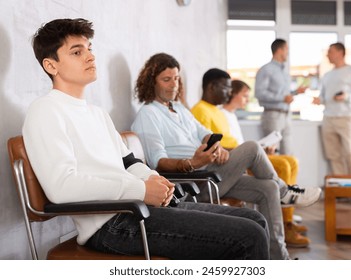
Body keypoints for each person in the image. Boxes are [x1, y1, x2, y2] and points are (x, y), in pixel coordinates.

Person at [22, 18, 271, 260]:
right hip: (111, 224)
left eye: (89, 48)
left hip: (136, 208)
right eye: (77, 52)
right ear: (51, 65)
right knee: (249, 236)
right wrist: (141, 189)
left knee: (255, 220)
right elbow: (62, 188)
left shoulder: (96, 113)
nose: (90, 56)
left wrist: (154, 180)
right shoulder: (45, 111)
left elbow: (129, 162)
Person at [131, 53, 322, 259]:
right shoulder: (148, 115)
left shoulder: (178, 109)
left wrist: (216, 146)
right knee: (251, 148)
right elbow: (157, 162)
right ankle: (287, 193)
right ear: (151, 82)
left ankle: (279, 258)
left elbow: (205, 133)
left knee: (268, 188)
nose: (173, 85)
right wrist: (193, 163)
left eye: (176, 78)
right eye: (166, 80)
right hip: (193, 184)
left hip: (212, 173)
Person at [220, 79, 310, 248]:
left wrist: (262, 148)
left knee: (291, 160)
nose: (247, 99)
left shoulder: (231, 115)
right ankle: (286, 206)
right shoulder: (221, 114)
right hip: (232, 160)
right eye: (245, 96)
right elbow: (226, 147)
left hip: (240, 154)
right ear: (233, 94)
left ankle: (287, 219)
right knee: (283, 165)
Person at [313, 42, 351, 205]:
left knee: (350, 154)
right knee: (334, 156)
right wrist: (319, 100)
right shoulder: (327, 75)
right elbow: (324, 96)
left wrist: (347, 96)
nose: (328, 55)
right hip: (328, 118)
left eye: (330, 52)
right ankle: (342, 192)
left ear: (340, 52)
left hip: (347, 118)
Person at [255, 39, 306, 155]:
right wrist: (282, 98)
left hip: (286, 115)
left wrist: (295, 92)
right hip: (272, 116)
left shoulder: (284, 71)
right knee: (272, 153)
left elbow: (284, 95)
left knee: (288, 153)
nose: (288, 52)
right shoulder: (266, 70)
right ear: (279, 50)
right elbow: (259, 93)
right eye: (286, 49)